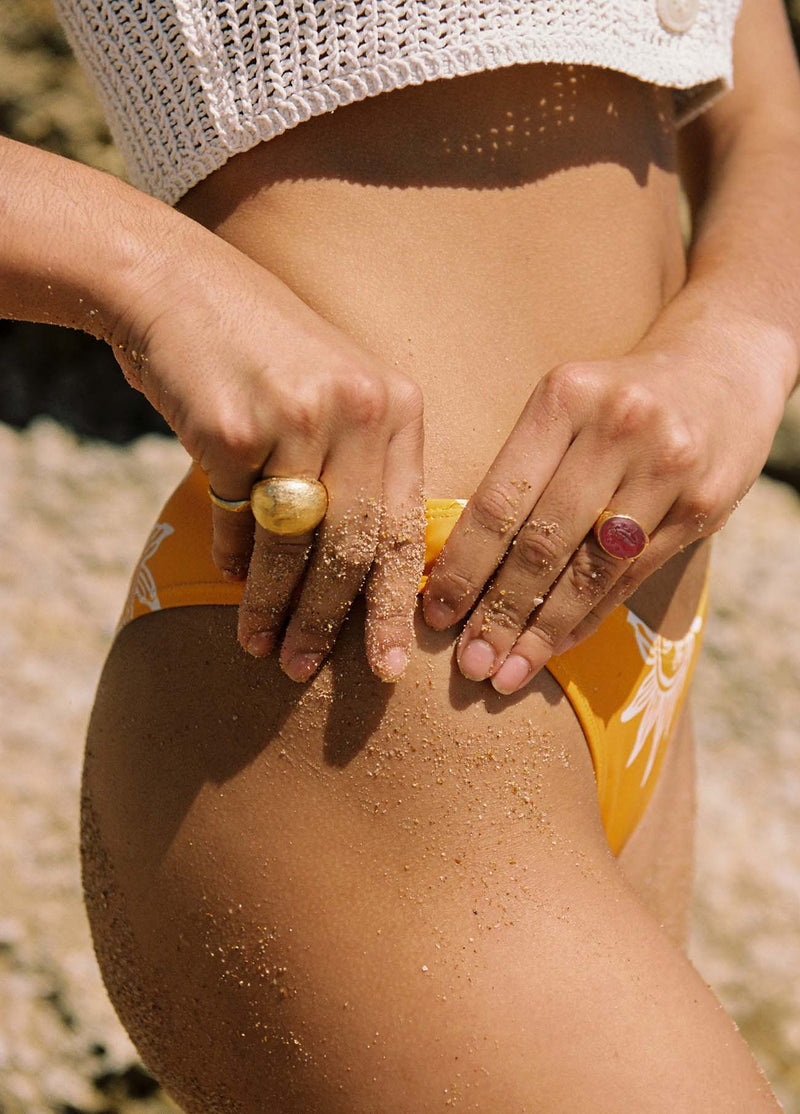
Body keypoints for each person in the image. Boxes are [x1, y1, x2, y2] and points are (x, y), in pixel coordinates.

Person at [1, 0, 798, 1108]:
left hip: (630, 650)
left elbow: (759, 94)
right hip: (363, 665)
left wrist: (750, 330)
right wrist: (151, 277)